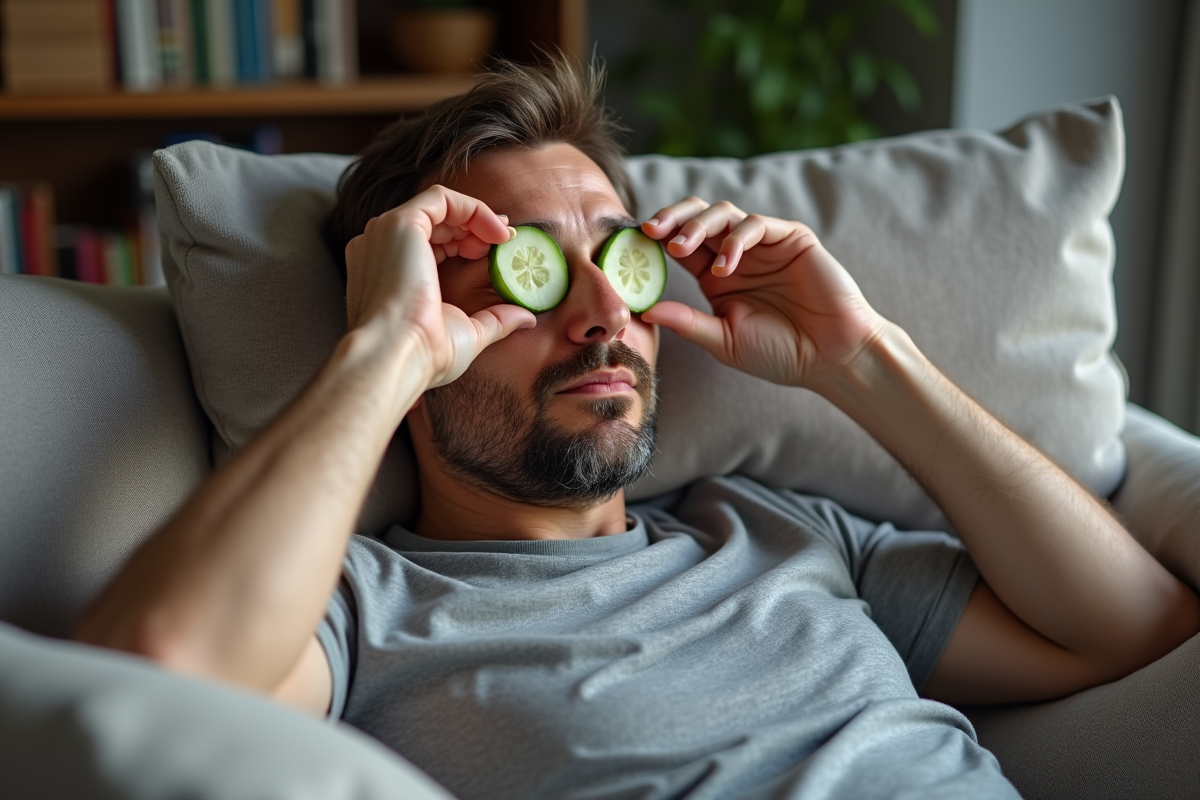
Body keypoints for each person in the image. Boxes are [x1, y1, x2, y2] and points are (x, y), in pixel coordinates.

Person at [76, 58, 1199, 799]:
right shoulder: (364, 610)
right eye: (529, 270)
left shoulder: (778, 528)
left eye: (618, 255)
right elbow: (155, 669)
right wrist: (385, 351)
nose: (602, 309)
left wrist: (865, 360)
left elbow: (1140, 627)